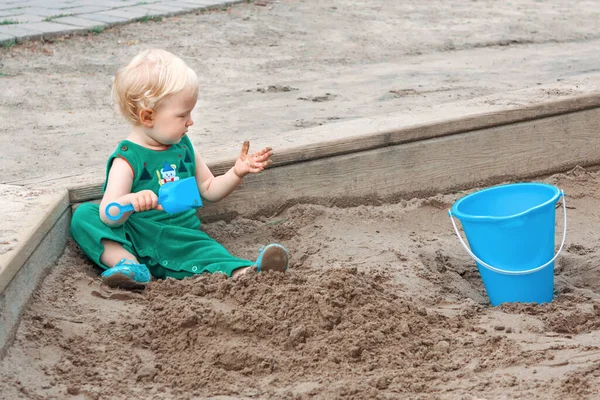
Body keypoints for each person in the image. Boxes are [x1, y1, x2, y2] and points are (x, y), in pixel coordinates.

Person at [70, 49, 289, 289]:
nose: (191, 121)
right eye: (182, 114)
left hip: (180, 237)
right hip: (135, 235)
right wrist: (131, 200)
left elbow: (209, 188)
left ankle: (247, 271)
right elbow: (109, 215)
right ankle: (128, 265)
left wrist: (236, 172)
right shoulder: (127, 159)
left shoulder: (183, 147)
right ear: (148, 117)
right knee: (84, 216)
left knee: (208, 252)